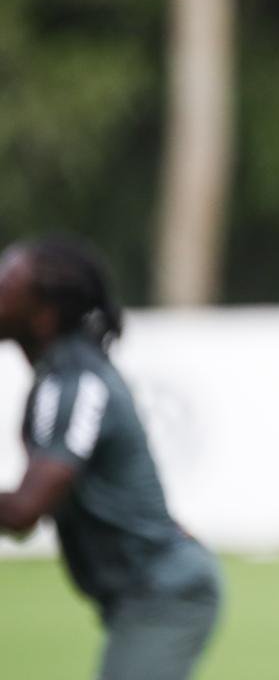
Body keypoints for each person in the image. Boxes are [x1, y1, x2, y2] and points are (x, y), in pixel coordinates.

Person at [0, 236, 220, 680]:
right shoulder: (56, 383)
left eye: (7, 279)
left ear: (44, 314)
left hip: (165, 592)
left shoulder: (78, 384)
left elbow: (25, 510)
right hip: (143, 592)